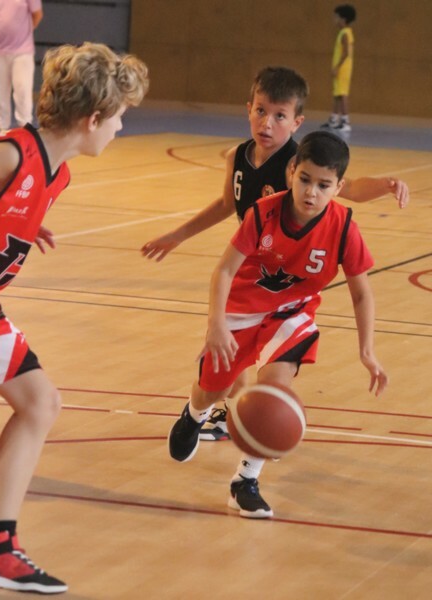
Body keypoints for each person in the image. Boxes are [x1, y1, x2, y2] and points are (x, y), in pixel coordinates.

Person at [141, 66, 407, 442]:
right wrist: (178, 235)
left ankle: (238, 420)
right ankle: (225, 413)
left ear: (296, 122)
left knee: (257, 360)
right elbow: (226, 204)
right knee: (231, 364)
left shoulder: (298, 166)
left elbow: (347, 188)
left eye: (280, 116)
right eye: (261, 111)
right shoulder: (238, 156)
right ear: (248, 109)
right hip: (250, 268)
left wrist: (386, 185)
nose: (267, 123)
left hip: (282, 275)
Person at [0, 42, 149, 594]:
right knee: (39, 402)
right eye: (119, 117)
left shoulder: (57, 173)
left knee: (40, 402)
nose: (120, 128)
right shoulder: (10, 156)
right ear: (93, 118)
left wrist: (16, 222)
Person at [168, 130, 388, 519]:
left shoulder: (343, 227)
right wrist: (216, 324)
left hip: (292, 312)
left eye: (324, 185)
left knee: (273, 390)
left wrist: (367, 351)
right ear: (291, 172)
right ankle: (194, 414)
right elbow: (224, 271)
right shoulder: (263, 213)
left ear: (338, 188)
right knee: (212, 388)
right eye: (305, 179)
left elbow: (361, 294)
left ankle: (245, 481)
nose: (311, 192)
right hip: (241, 308)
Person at [0, 0, 44, 133]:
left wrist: (22, 32)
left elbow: (37, 14)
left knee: (23, 90)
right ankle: (2, 128)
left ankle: (25, 127)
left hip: (22, 50)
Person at [321, 4, 357, 132]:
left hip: (343, 69)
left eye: (336, 17)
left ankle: (345, 121)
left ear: (343, 19)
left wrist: (337, 67)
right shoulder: (343, 32)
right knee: (337, 94)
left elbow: (346, 53)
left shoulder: (345, 33)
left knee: (342, 94)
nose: (334, 20)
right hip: (342, 69)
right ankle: (334, 119)